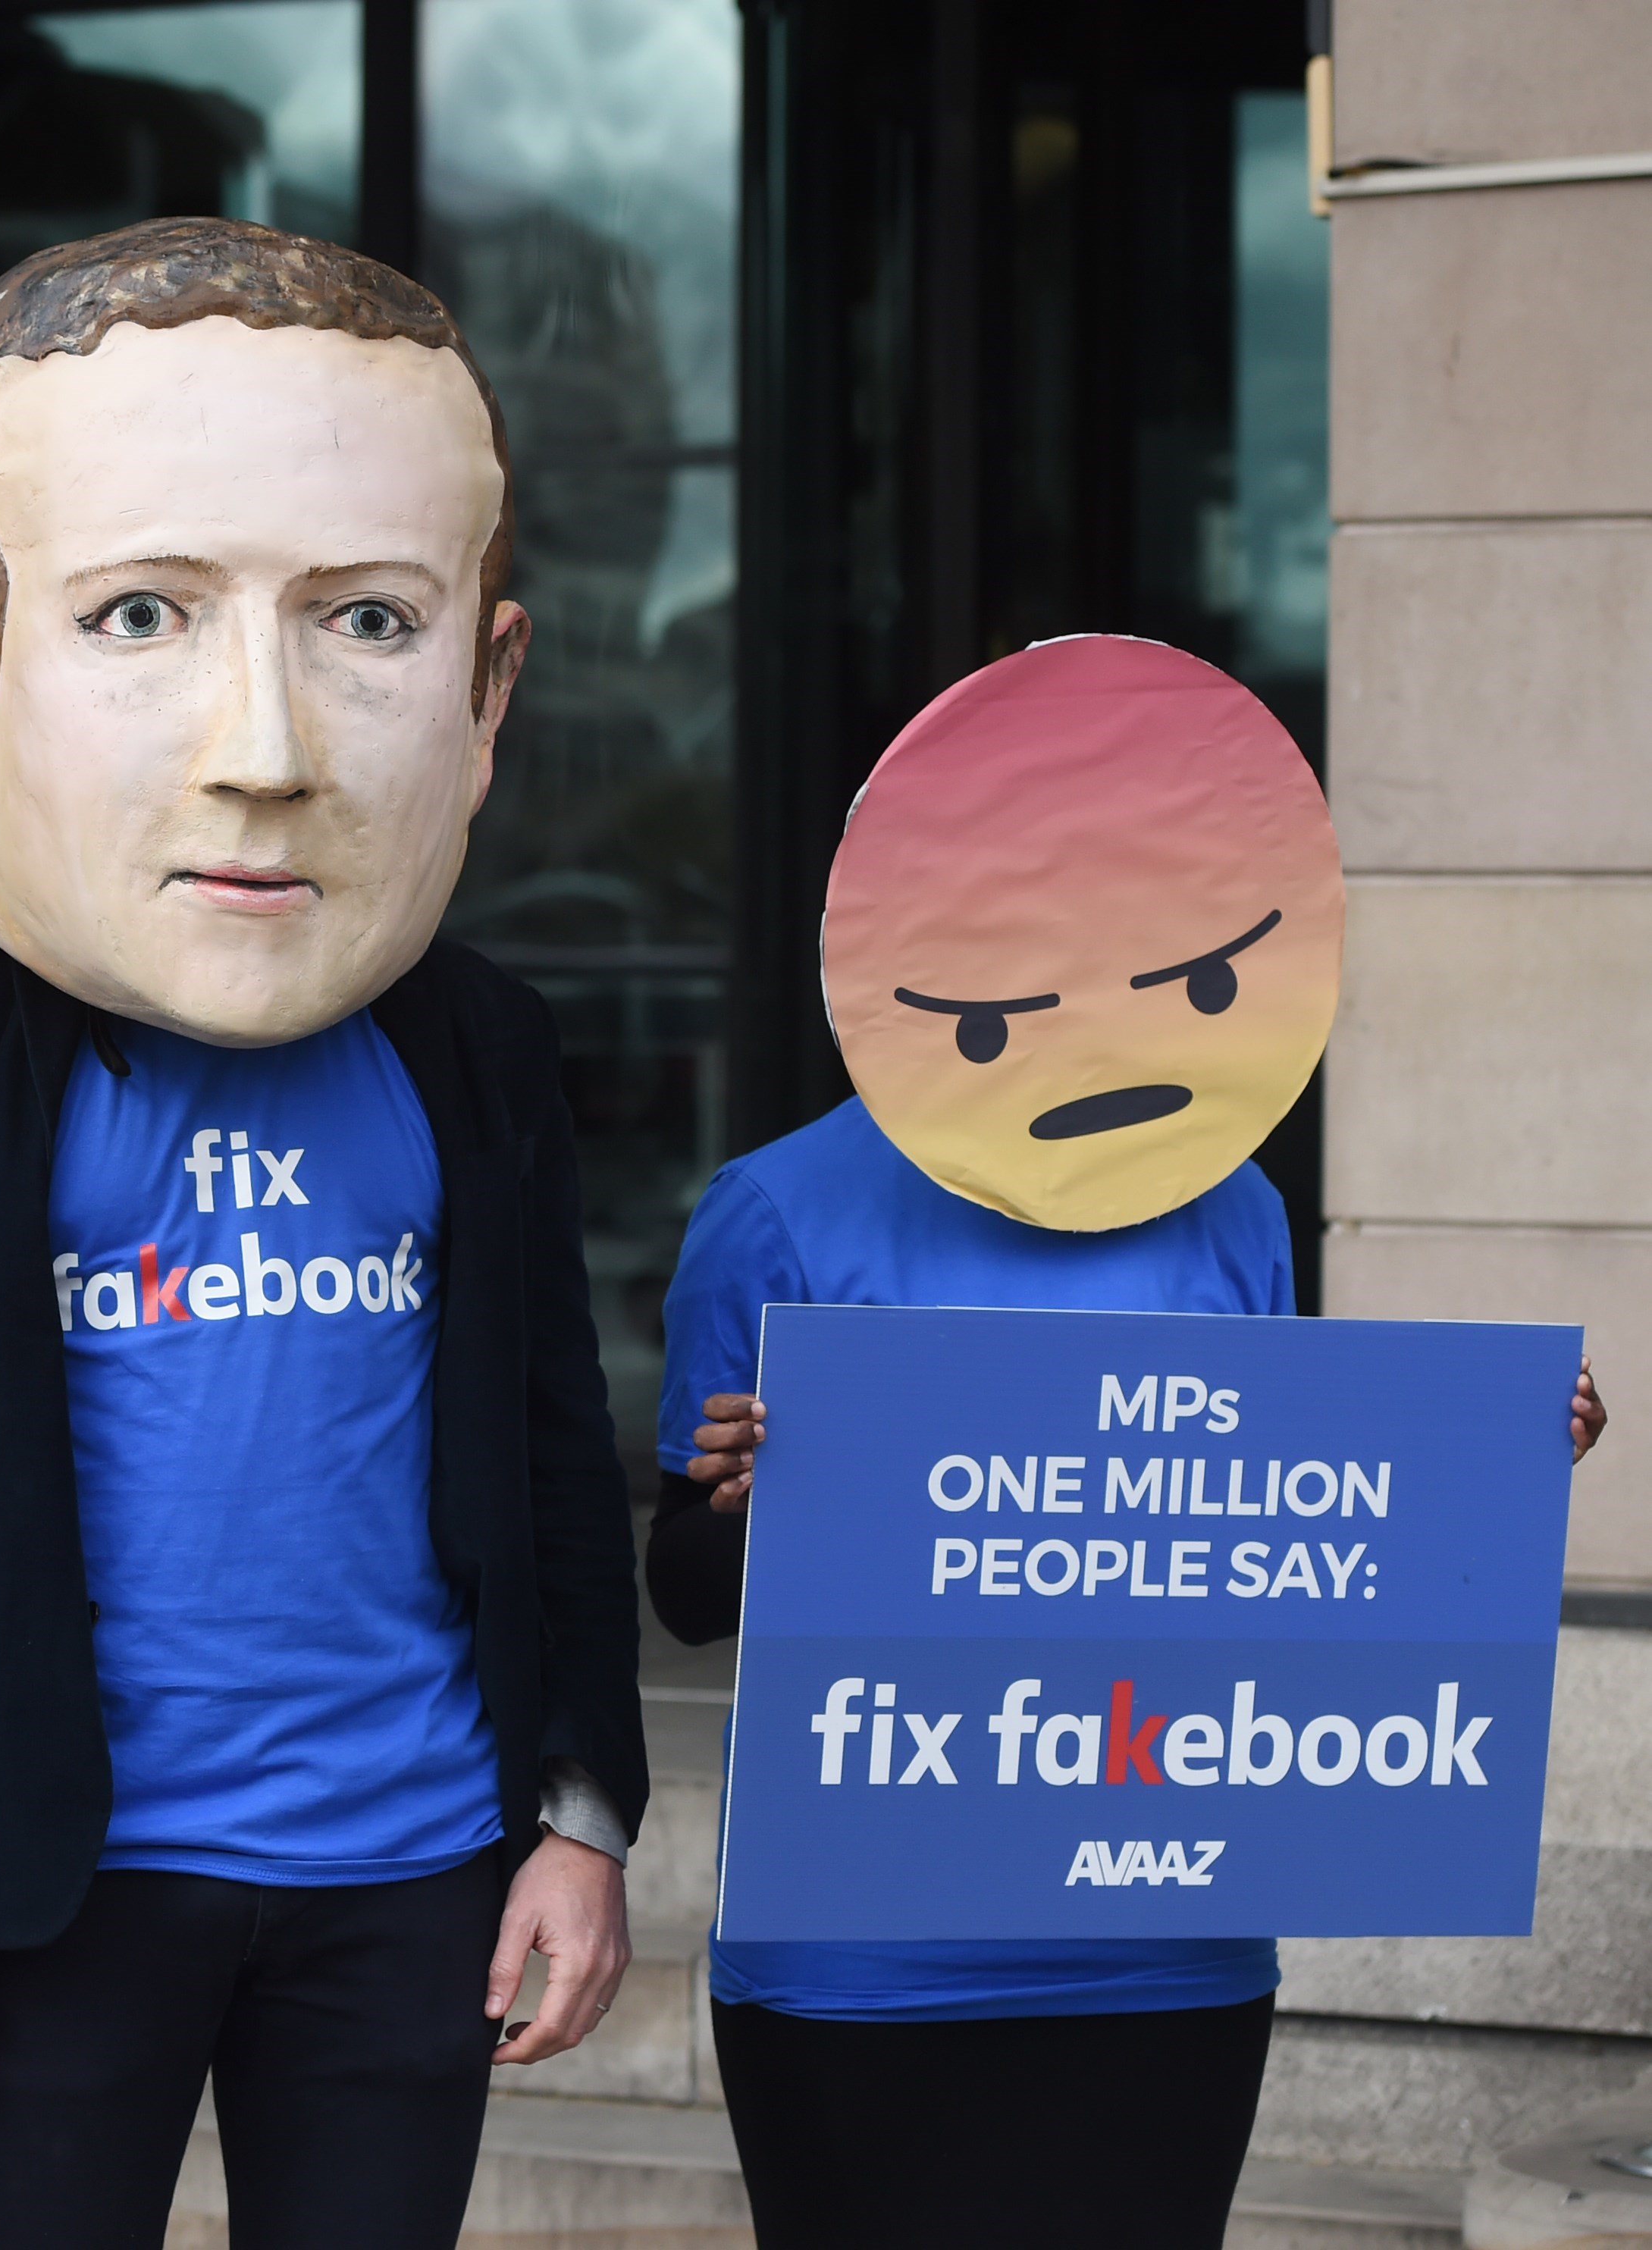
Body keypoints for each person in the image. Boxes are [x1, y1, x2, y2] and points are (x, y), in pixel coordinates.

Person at [0, 218, 648, 2250]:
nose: (263, 750)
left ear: (490, 690)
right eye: (143, 615)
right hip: (51, 1876)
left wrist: (578, 1815)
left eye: (366, 626)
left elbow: (545, 1449)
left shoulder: (477, 1045)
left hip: (407, 1861)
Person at [644, 634, 1610, 2250]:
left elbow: (1266, 1531)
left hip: (1159, 1936)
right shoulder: (773, 1210)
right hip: (864, 1956)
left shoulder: (1229, 1200)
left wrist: (1478, 1461)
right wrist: (757, 1500)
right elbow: (679, 1586)